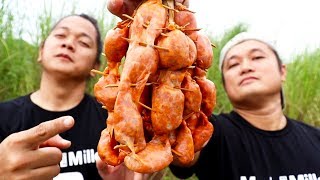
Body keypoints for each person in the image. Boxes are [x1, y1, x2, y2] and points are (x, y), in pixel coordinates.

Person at [0, 13, 140, 180]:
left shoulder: (114, 119)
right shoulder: (3, 116)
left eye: (83, 42)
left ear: (95, 66)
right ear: (41, 51)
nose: (68, 44)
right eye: (60, 35)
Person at [168, 32, 320, 179]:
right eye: (233, 64)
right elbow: (177, 143)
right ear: (224, 84)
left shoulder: (316, 138)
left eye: (257, 57)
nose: (245, 67)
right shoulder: (208, 129)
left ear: (282, 71)